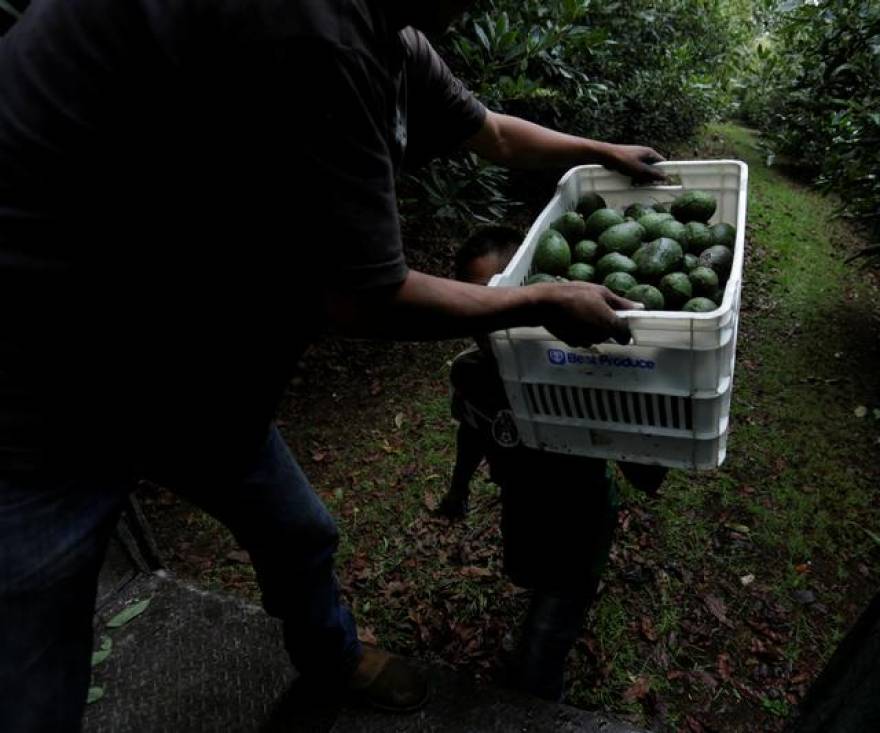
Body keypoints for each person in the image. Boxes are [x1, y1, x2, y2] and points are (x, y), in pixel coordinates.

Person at [0, 0, 667, 729]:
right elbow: (365, 300)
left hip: (191, 369)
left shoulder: (389, 41)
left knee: (298, 533)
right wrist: (538, 297)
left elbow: (496, 136)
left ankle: (330, 655)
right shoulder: (309, 34)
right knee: (33, 642)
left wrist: (602, 151)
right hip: (45, 374)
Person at [438, 226, 668, 700]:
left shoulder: (575, 372)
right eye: (478, 302)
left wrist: (642, 443)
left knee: (544, 648)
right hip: (520, 505)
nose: (492, 317)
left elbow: (643, 466)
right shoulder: (472, 373)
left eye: (504, 297)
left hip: (581, 519)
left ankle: (541, 700)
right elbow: (473, 430)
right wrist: (458, 488)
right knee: (526, 575)